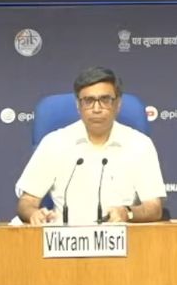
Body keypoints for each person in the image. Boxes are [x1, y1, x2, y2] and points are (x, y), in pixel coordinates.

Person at [15, 66, 167, 225]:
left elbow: (154, 208)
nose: (96, 109)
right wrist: (33, 213)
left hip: (121, 243)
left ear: (118, 104)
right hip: (63, 243)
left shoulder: (140, 145)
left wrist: (127, 212)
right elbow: (27, 201)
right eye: (88, 101)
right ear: (78, 105)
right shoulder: (54, 142)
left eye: (105, 100)